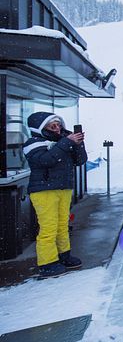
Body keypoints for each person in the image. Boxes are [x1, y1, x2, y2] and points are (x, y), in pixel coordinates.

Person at [23, 112, 86, 278]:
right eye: (52, 126)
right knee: (48, 228)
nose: (57, 128)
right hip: (44, 191)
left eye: (58, 125)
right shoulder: (33, 143)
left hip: (63, 189)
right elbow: (47, 159)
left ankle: (64, 255)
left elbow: (80, 160)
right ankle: (47, 263)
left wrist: (78, 143)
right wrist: (67, 141)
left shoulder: (61, 143)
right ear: (40, 128)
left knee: (62, 225)